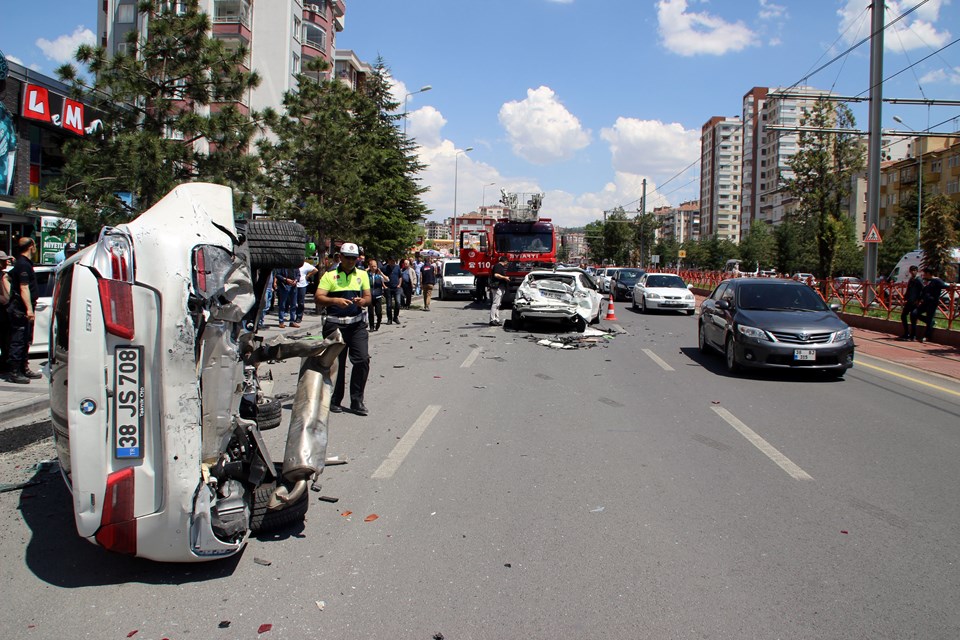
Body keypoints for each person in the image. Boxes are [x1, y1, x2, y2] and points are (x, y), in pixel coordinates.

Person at [315, 243, 372, 416]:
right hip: (335, 325)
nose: (350, 261)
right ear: (340, 257)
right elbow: (318, 297)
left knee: (362, 360)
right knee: (337, 364)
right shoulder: (330, 276)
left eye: (354, 258)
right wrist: (335, 301)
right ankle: (334, 400)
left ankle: (357, 401)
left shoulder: (362, 274)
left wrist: (363, 301)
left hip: (356, 325)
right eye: (347, 257)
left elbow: (368, 297)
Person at [5, 238, 42, 383]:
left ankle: (23, 369)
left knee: (26, 339)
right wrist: (29, 309)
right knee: (18, 340)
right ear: (31, 246)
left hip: (21, 307)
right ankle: (14, 372)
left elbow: (7, 277)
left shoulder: (23, 264)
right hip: (20, 309)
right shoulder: (23, 264)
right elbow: (24, 287)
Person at [913, 267, 946, 344]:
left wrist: (951, 286)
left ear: (928, 273)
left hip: (932, 303)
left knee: (929, 318)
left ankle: (926, 336)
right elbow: (924, 291)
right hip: (925, 303)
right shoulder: (928, 281)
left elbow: (945, 286)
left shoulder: (937, 280)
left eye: (924, 274)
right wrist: (919, 299)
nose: (923, 275)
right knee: (915, 313)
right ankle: (931, 322)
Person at [898, 264, 922, 341]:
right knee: (903, 316)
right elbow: (909, 290)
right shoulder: (911, 279)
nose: (913, 272)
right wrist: (905, 297)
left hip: (915, 302)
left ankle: (913, 335)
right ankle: (906, 333)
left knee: (913, 318)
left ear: (917, 271)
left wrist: (919, 300)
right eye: (911, 270)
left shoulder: (919, 280)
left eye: (914, 270)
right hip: (909, 301)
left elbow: (923, 290)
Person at [292, 260, 319, 328]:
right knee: (293, 302)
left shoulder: (305, 264)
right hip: (294, 284)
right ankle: (292, 317)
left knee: (301, 302)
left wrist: (308, 275)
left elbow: (315, 270)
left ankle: (299, 316)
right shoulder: (294, 264)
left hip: (302, 285)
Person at [0, 251, 13, 376]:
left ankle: (4, 364)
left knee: (5, 341)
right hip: (1, 313)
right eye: (4, 260)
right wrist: (6, 301)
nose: (6, 262)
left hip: (4, 315)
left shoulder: (4, 275)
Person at [489, 254, 510, 326]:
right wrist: (504, 278)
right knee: (495, 303)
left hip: (500, 287)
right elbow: (496, 275)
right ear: (505, 261)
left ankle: (496, 319)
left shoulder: (500, 267)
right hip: (497, 287)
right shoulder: (498, 266)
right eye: (507, 262)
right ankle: (492, 320)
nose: (507, 264)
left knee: (498, 304)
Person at [367, 259, 386, 331]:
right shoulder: (367, 275)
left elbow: (387, 280)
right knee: (370, 312)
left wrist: (381, 274)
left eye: (375, 266)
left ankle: (378, 322)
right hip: (370, 296)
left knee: (378, 312)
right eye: (372, 266)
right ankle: (371, 326)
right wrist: (367, 270)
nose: (373, 268)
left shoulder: (379, 275)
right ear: (369, 266)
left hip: (378, 296)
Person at [383, 257, 402, 324]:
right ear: (389, 261)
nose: (393, 262)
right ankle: (389, 319)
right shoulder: (385, 268)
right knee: (389, 305)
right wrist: (384, 286)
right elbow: (381, 277)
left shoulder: (397, 267)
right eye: (391, 261)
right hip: (388, 288)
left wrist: (399, 284)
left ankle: (395, 317)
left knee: (398, 302)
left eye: (394, 261)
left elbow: (400, 276)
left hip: (396, 288)